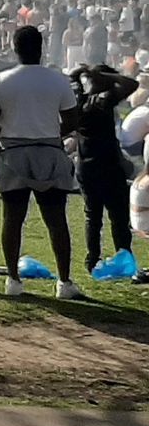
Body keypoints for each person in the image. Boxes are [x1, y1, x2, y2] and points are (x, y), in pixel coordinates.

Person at [0, 26, 83, 299]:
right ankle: (64, 282)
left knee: (12, 219)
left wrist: (9, 135)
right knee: (56, 220)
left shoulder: (2, 80)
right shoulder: (58, 81)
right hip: (49, 150)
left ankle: (13, 281)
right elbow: (73, 119)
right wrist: (51, 134)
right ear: (41, 48)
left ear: (15, 49)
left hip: (14, 153)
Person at [71, 64, 137, 272]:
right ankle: (124, 256)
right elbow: (131, 84)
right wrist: (105, 74)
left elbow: (70, 80)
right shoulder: (103, 101)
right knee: (118, 217)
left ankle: (92, 259)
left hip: (85, 167)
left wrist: (80, 73)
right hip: (108, 165)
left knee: (93, 217)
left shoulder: (79, 101)